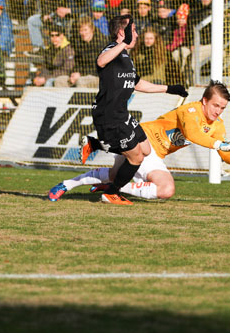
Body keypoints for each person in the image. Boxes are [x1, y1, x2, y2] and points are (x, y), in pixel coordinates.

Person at [49, 81, 230, 202]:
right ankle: (113, 182)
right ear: (204, 101)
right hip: (145, 141)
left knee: (113, 174)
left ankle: (67, 185)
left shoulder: (217, 124)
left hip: (150, 150)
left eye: (222, 108)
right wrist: (221, 145)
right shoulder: (189, 110)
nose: (218, 111)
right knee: (166, 189)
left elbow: (223, 153)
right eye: (215, 105)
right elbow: (193, 134)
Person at [76, 14, 189, 205]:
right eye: (133, 30)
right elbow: (101, 61)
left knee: (145, 149)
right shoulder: (112, 49)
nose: (136, 35)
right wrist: (122, 44)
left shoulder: (127, 57)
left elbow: (137, 83)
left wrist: (169, 89)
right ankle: (111, 193)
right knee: (135, 157)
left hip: (122, 113)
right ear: (122, 32)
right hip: (109, 114)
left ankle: (94, 144)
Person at [67, 16, 106, 88]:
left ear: (92, 29)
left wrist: (80, 74)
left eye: (85, 30)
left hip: (98, 76)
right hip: (83, 74)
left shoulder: (101, 43)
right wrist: (74, 73)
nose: (83, 33)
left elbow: (99, 67)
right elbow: (78, 63)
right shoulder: (79, 43)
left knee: (81, 81)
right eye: (81, 30)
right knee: (60, 80)